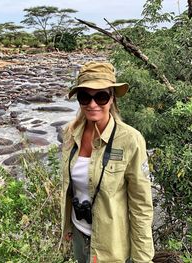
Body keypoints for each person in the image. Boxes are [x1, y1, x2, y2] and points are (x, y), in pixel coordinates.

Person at [60, 62, 154, 263]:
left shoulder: (130, 140)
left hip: (111, 245)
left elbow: (141, 206)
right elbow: (70, 188)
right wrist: (67, 226)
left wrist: (143, 258)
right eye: (85, 96)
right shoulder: (70, 133)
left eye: (101, 96)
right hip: (78, 233)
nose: (92, 104)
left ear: (112, 98)